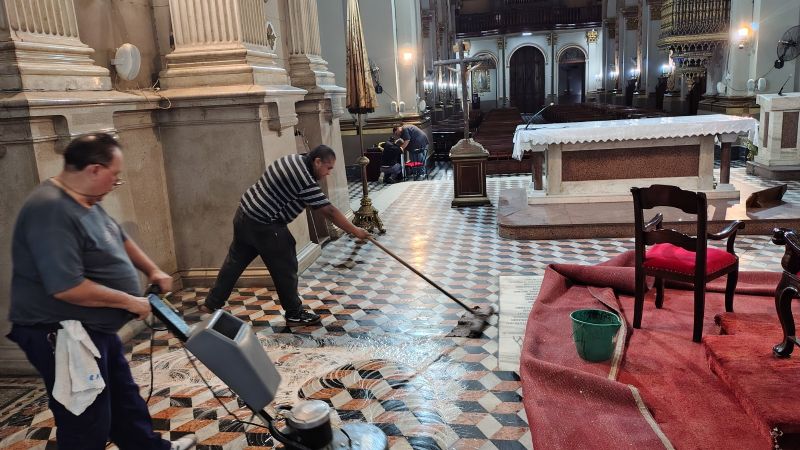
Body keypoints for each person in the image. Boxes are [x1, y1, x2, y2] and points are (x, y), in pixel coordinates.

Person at [7, 133, 197, 450]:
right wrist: (130, 301)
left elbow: (116, 235)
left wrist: (152, 269)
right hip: (60, 334)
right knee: (86, 418)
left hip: (93, 330)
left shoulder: (85, 198)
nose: (115, 183)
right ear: (95, 169)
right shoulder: (50, 211)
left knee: (125, 402)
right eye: (115, 176)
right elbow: (67, 287)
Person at [202, 145, 370, 325]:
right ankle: (294, 312)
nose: (328, 173)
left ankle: (212, 304)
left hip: (244, 214)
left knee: (235, 262)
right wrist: (355, 231)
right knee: (286, 266)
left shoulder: (293, 159)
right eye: (328, 168)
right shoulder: (304, 178)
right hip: (265, 224)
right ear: (317, 161)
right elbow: (328, 211)